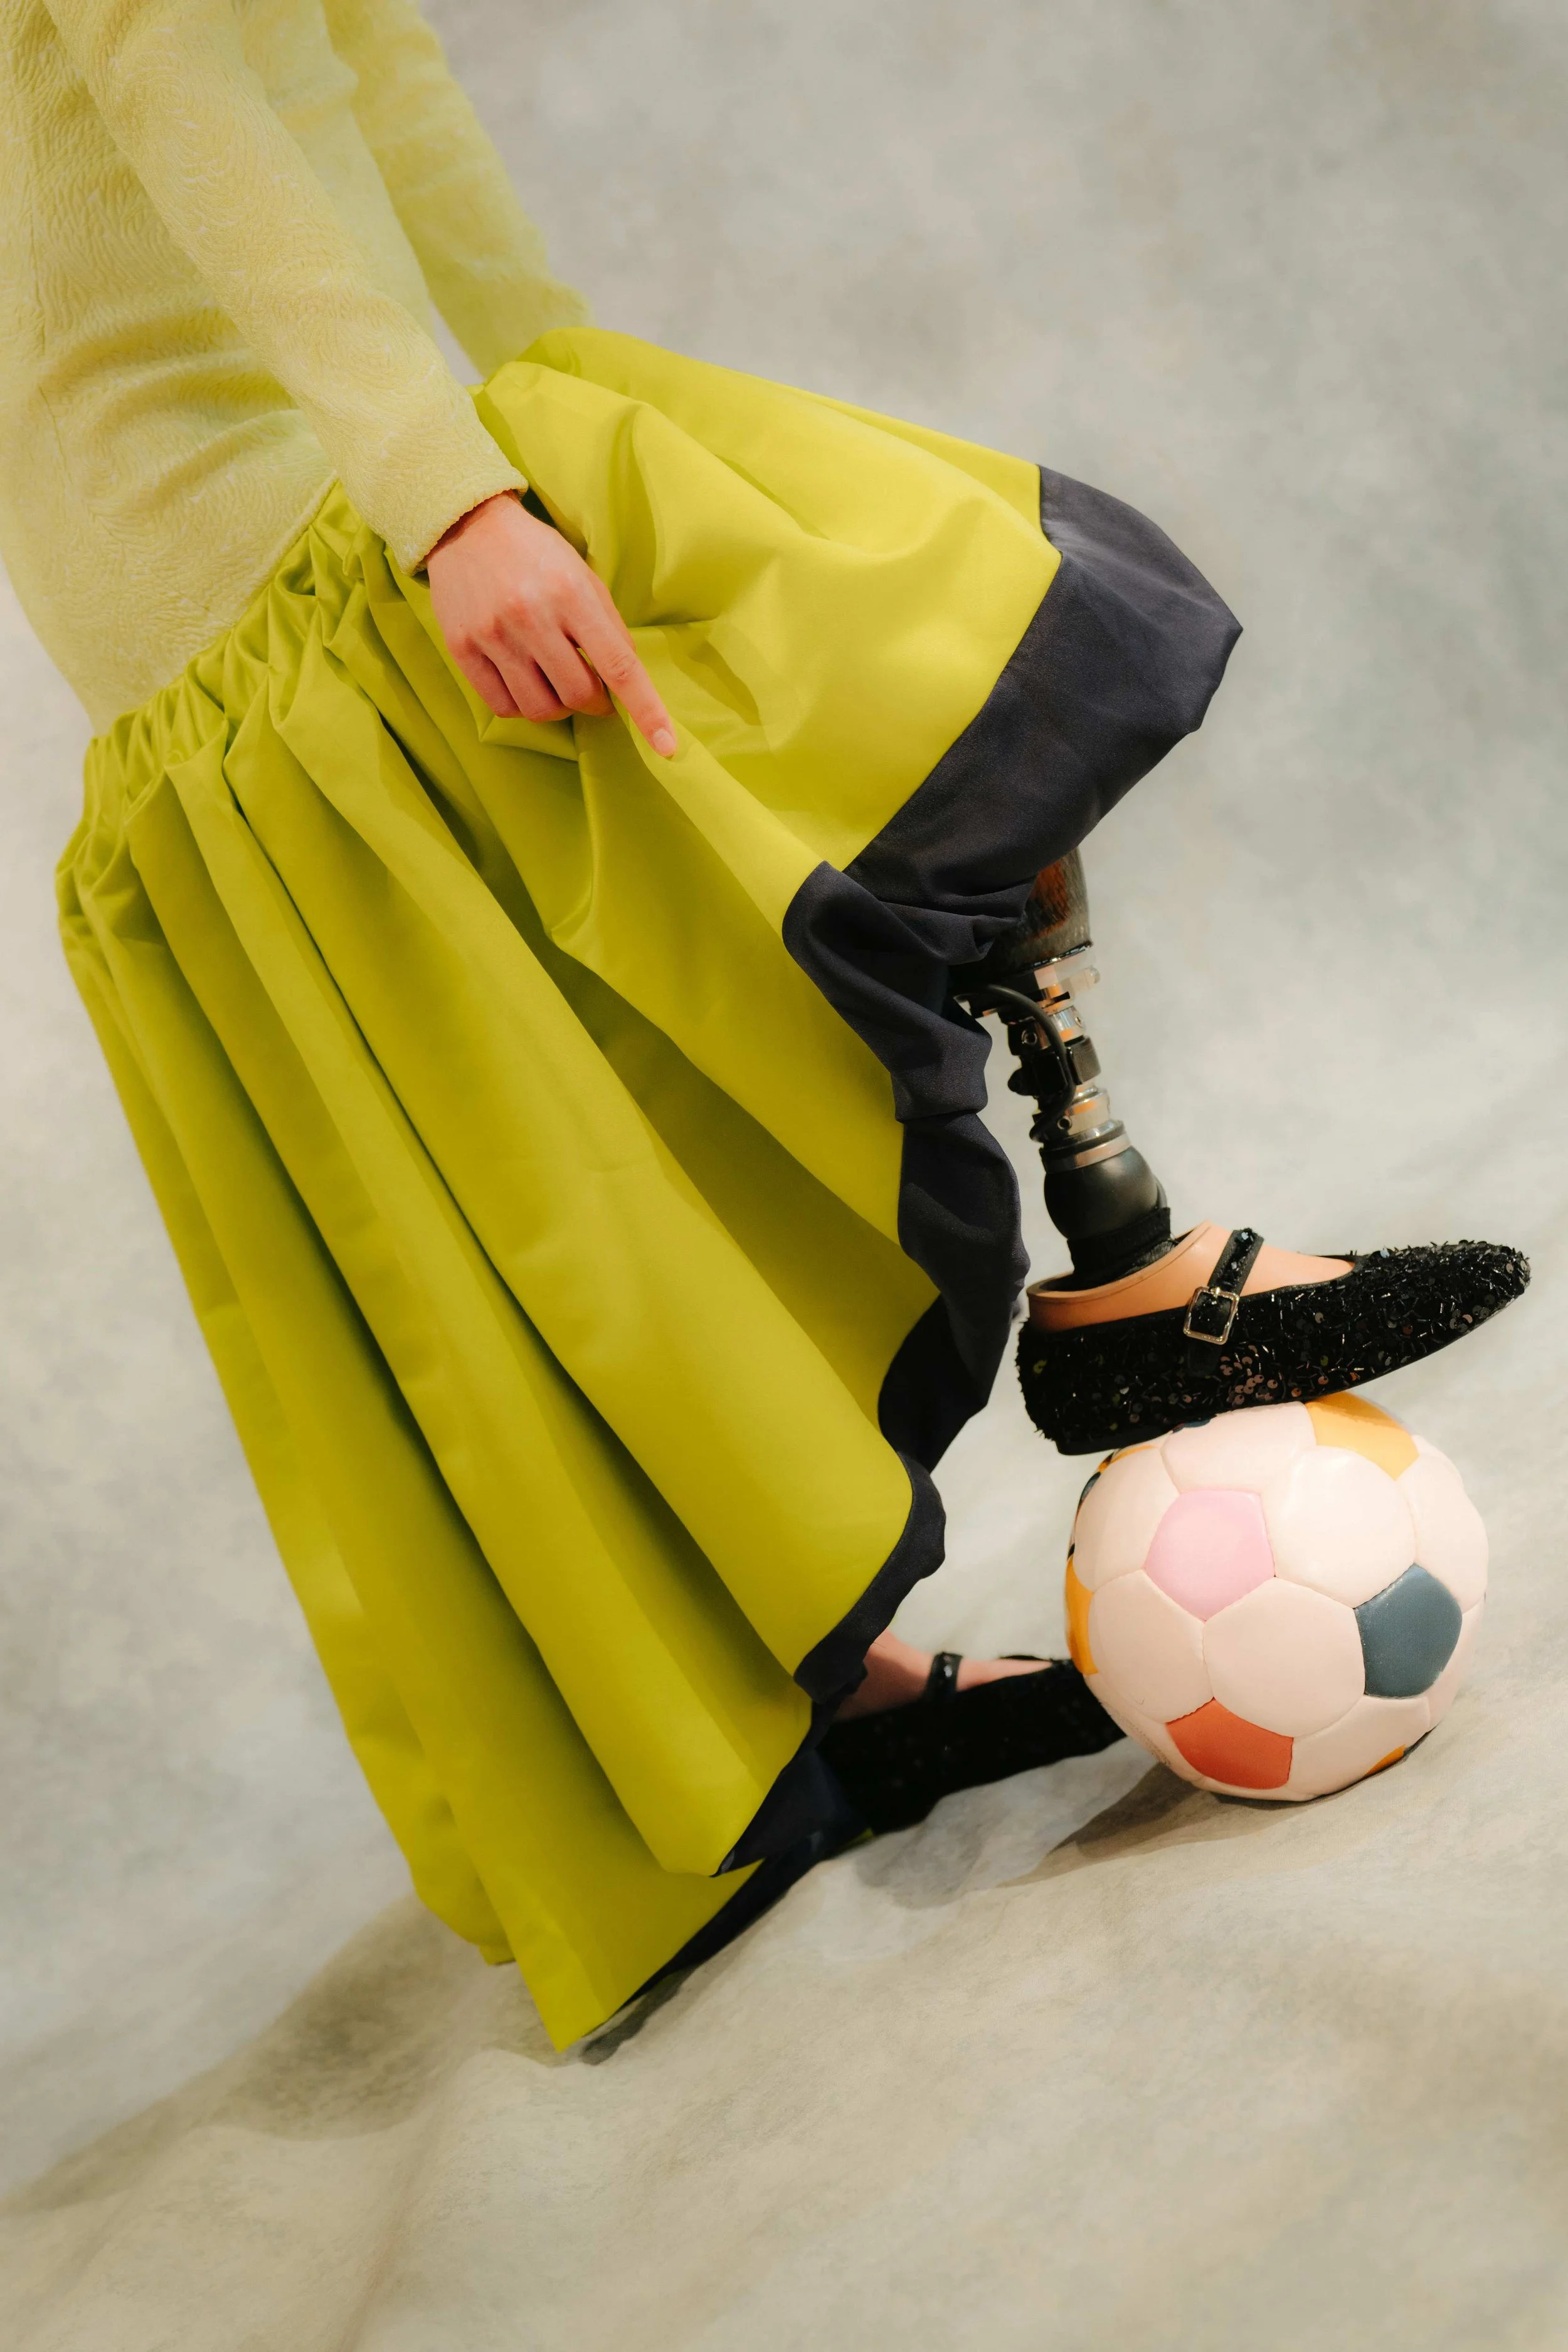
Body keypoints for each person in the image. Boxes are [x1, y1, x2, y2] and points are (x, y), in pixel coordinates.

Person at [3, 0, 1525, 2047]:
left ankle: (1108, 1261)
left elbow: (371, 74)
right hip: (259, 539)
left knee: (634, 1073)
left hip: (320, 489)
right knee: (595, 1152)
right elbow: (190, 99)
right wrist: (455, 500)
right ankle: (1070, 1325)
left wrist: (551, 412)